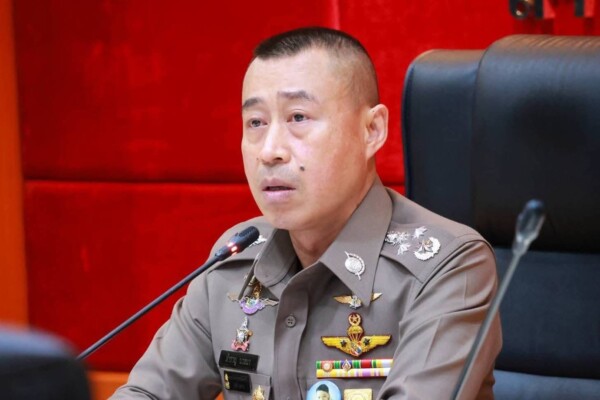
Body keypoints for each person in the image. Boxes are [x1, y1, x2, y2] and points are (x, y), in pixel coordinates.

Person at [111, 27, 501, 399]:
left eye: (298, 117)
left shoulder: (448, 267)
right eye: (256, 122)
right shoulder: (233, 262)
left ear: (371, 130)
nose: (269, 151)